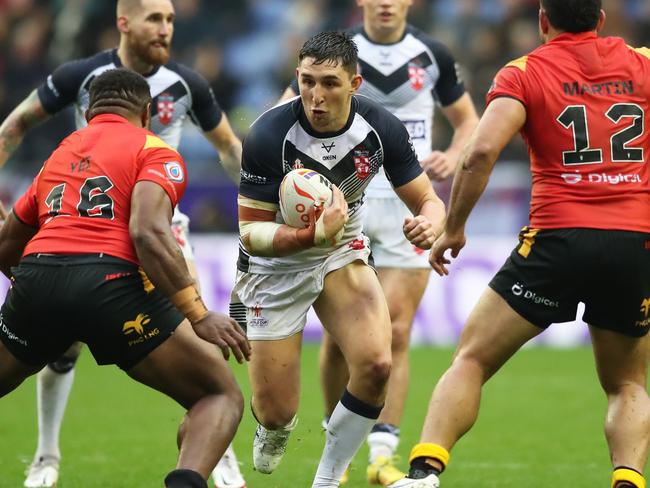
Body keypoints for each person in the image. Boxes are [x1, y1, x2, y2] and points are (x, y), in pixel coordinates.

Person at [389, 1, 650, 487]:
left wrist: (454, 228)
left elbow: (481, 151)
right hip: (634, 242)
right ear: (600, 19)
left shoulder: (524, 72)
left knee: (472, 358)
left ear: (543, 20)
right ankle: (628, 480)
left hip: (556, 240)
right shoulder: (643, 63)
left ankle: (424, 474)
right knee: (627, 382)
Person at [0, 1, 246, 487]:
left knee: (50, 348)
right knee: (217, 392)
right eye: (155, 17)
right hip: (123, 273)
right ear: (150, 114)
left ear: (88, 111)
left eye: (170, 20)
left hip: (44, 264)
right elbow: (147, 231)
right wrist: (200, 314)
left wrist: (34, 281)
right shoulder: (156, 149)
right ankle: (201, 457)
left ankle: (50, 457)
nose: (165, 28)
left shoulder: (58, 155)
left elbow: (8, 243)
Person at [234, 31, 445, 488]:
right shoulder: (269, 134)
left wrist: (430, 222)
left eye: (329, 83)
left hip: (341, 250)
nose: (316, 95)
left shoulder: (381, 128)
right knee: (276, 410)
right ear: (297, 78)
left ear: (355, 83)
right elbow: (250, 234)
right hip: (276, 268)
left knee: (376, 365)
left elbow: (428, 199)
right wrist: (309, 233)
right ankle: (273, 428)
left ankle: (328, 479)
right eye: (307, 81)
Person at [280, 1, 478, 484]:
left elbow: (469, 122)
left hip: (409, 196)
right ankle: (338, 446)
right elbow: (283, 110)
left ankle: (382, 455)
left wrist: (454, 153)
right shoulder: (338, 53)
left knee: (397, 331)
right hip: (347, 198)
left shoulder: (430, 53)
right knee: (343, 336)